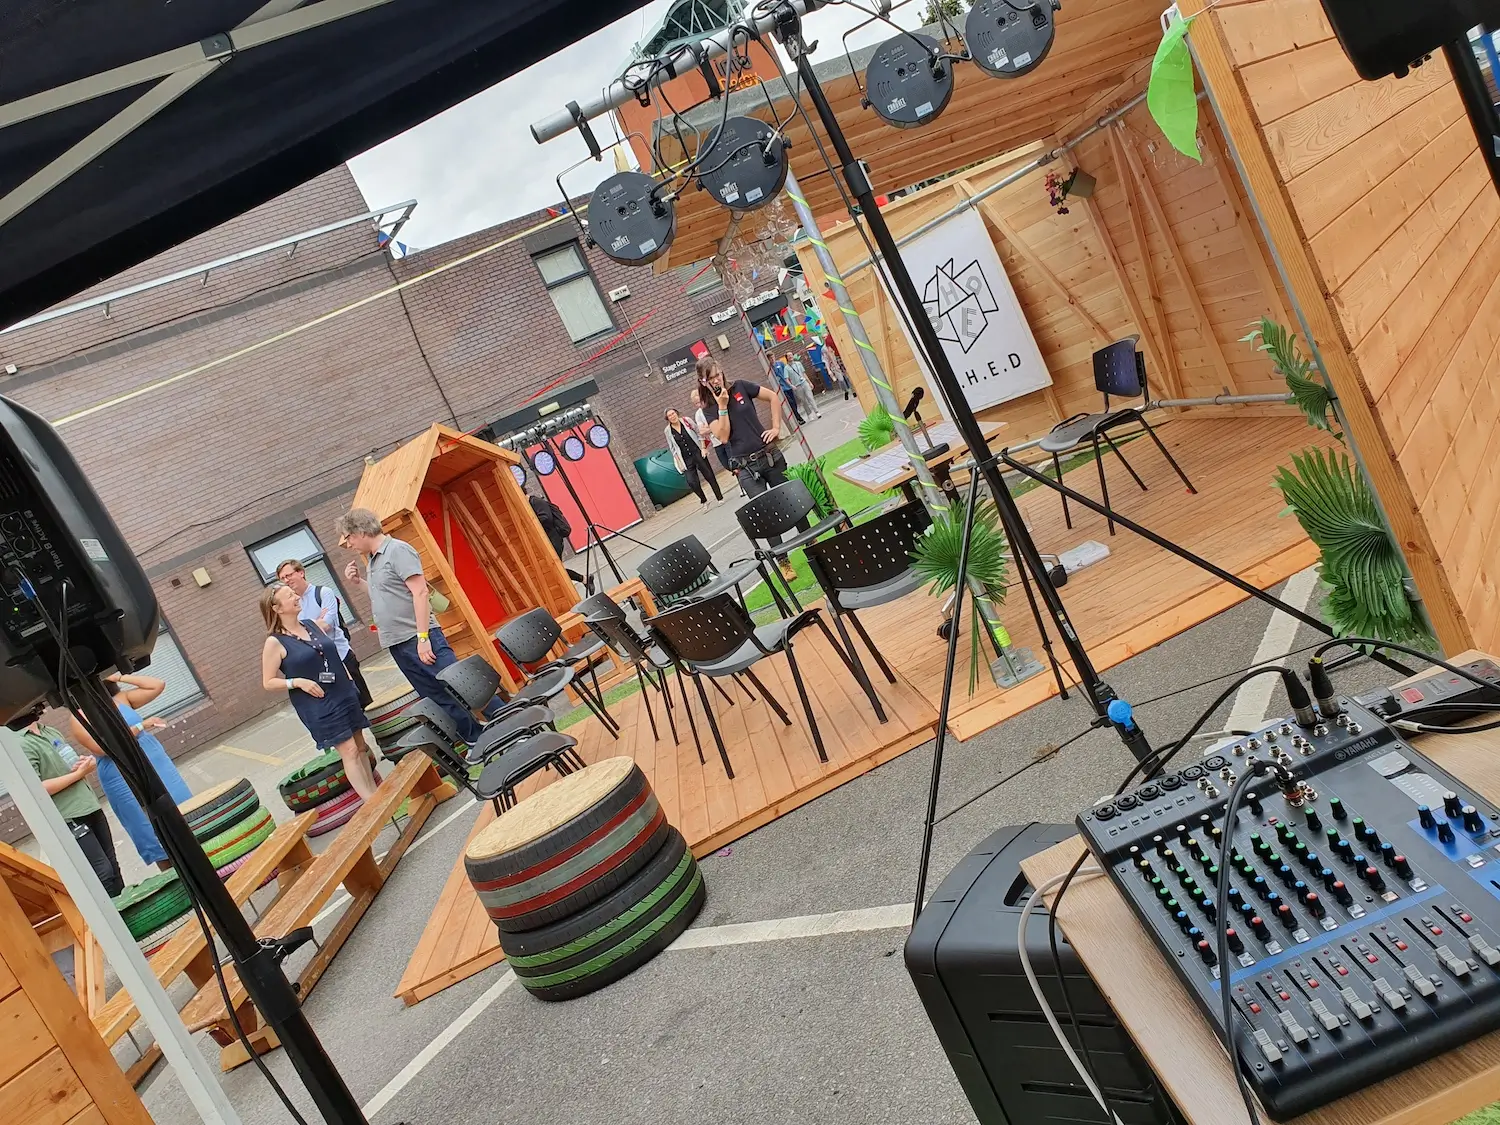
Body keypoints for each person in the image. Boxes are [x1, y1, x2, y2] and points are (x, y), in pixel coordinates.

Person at [335, 508, 501, 744]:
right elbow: (384, 594)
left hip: (419, 637)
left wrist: (423, 638)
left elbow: (420, 592)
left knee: (460, 684)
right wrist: (358, 582)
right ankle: (476, 738)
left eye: (348, 537)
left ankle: (504, 719)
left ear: (361, 531)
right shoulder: (373, 560)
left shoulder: (397, 550)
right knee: (435, 695)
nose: (348, 543)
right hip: (397, 643)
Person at [260, 585, 379, 800]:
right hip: (319, 704)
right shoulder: (274, 642)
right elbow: (268, 682)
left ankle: (376, 794)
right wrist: (296, 682)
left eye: (294, 593)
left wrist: (350, 682)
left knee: (360, 747)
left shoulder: (312, 624)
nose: (297, 597)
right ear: (277, 608)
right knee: (349, 751)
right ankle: (371, 801)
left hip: (344, 693)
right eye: (289, 596)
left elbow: (331, 652)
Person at [696, 355, 809, 581]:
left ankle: (812, 542)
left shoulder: (740, 387)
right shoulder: (709, 409)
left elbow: (773, 398)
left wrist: (776, 427)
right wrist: (722, 406)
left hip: (769, 455)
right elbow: (723, 435)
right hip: (746, 468)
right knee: (767, 513)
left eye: (719, 374)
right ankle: (783, 561)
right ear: (703, 382)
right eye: (712, 378)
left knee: (791, 500)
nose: (718, 380)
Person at [68, 673, 192, 871]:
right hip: (120, 773)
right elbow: (104, 747)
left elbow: (157, 684)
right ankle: (175, 875)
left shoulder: (121, 699)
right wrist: (141, 726)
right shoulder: (79, 717)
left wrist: (120, 675)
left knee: (184, 808)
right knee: (147, 825)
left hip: (154, 760)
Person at [22, 722, 122, 896]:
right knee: (102, 872)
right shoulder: (19, 743)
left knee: (113, 866)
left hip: (89, 805)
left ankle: (134, 915)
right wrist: (78, 774)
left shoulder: (49, 730)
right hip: (69, 815)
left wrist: (83, 763)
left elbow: (68, 765)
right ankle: (116, 919)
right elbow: (38, 788)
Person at [274, 559, 372, 708]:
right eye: (282, 578)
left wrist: (308, 627)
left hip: (342, 656)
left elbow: (326, 625)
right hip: (322, 667)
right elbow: (295, 636)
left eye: (289, 575)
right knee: (340, 703)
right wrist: (316, 622)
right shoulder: (292, 605)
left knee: (362, 700)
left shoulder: (323, 593)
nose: (286, 580)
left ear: (301, 573)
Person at [528, 493, 592, 591]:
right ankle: (584, 579)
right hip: (548, 540)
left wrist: (530, 522)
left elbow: (546, 518)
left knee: (556, 568)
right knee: (556, 568)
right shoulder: (532, 503)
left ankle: (581, 581)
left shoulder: (535, 502)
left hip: (554, 539)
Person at [664, 407, 723, 506]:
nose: (672, 416)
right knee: (692, 482)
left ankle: (719, 497)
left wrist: (703, 448)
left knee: (709, 476)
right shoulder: (668, 431)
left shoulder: (687, 421)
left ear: (677, 413)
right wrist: (679, 462)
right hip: (685, 458)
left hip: (697, 452)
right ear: (667, 418)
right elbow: (673, 448)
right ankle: (704, 500)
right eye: (669, 416)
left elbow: (699, 433)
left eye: (673, 413)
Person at [694, 398, 733, 476]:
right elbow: (702, 431)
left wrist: (707, 427)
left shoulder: (712, 407)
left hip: (726, 439)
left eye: (701, 401)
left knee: (734, 463)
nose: (700, 404)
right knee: (726, 465)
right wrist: (713, 427)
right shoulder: (698, 414)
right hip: (716, 444)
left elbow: (721, 423)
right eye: (697, 403)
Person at [784, 353, 821, 421]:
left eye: (791, 355)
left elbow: (803, 373)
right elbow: (786, 378)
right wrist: (791, 385)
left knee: (810, 397)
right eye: (789, 356)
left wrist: (809, 382)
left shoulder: (798, 363)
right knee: (804, 401)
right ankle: (809, 414)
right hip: (797, 386)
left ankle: (817, 412)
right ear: (786, 358)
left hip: (804, 383)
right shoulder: (786, 368)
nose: (790, 357)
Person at [771, 360, 804, 425]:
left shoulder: (780, 363)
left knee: (794, 402)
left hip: (787, 385)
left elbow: (786, 373)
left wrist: (790, 383)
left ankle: (796, 416)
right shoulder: (770, 367)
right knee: (790, 402)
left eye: (773, 357)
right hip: (782, 388)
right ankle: (799, 418)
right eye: (770, 358)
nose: (772, 359)